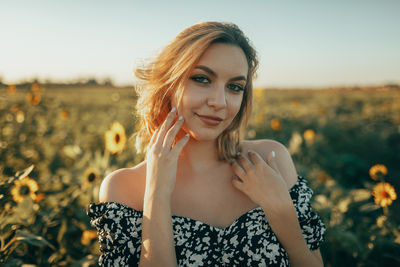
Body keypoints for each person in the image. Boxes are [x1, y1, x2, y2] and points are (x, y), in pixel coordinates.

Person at [87, 21, 325, 266]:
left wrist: (283, 214)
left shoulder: (270, 161)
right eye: (202, 79)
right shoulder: (124, 189)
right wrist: (156, 195)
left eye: (234, 87)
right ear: (169, 84)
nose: (220, 102)